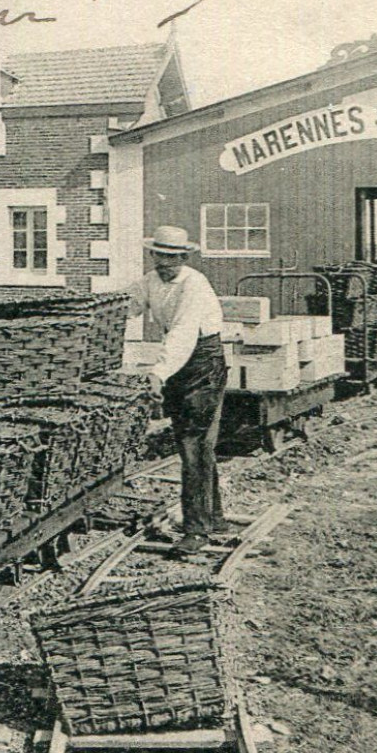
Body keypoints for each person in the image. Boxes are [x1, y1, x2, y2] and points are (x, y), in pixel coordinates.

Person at [129, 225, 227, 556]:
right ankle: (213, 517)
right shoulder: (151, 281)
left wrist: (157, 373)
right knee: (195, 442)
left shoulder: (194, 286)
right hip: (179, 361)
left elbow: (184, 334)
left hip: (203, 361)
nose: (164, 263)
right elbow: (127, 304)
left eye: (172, 258)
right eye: (159, 256)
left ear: (184, 257)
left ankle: (196, 531)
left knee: (194, 444)